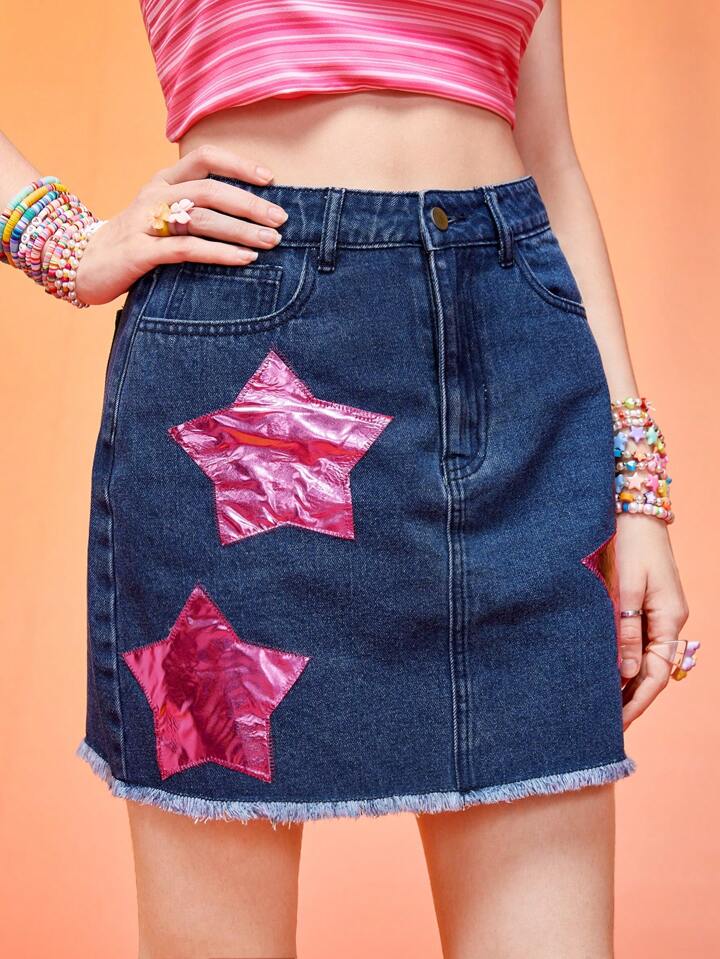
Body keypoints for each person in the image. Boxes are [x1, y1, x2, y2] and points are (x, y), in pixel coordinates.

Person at [1, 1, 697, 957]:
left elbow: (553, 162)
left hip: (516, 367)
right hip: (249, 388)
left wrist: (635, 483)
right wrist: (60, 239)